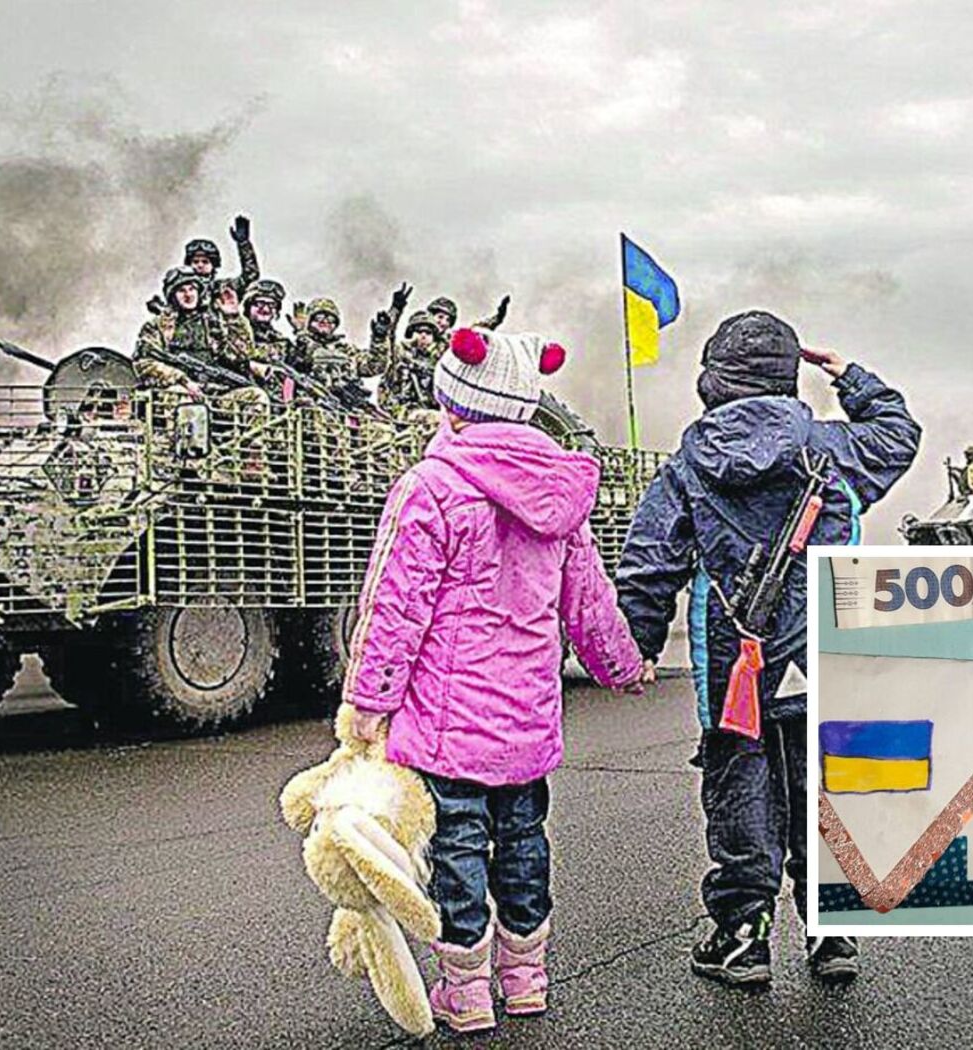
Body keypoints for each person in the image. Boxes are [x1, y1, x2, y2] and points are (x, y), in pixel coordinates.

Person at [341, 327, 643, 1034]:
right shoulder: (561, 496)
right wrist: (622, 666)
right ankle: (527, 977)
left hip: (448, 728)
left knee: (457, 849)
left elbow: (394, 605)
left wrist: (368, 703)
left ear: (452, 405)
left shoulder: (432, 487)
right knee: (525, 842)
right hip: (528, 719)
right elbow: (589, 601)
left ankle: (467, 990)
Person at [614, 310, 921, 989]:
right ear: (788, 376)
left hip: (733, 663)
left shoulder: (689, 462)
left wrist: (635, 650)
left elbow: (647, 565)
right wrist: (851, 377)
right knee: (826, 785)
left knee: (738, 786)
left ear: (713, 380)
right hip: (825, 655)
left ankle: (743, 938)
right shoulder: (835, 448)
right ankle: (831, 931)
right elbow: (901, 435)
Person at [133, 268, 226, 390]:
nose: (188, 295)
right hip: (175, 388)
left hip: (213, 389)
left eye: (192, 289)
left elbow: (238, 356)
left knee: (254, 394)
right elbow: (144, 363)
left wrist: (234, 317)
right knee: (179, 393)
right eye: (181, 291)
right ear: (173, 296)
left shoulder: (212, 324)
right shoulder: (158, 326)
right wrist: (182, 379)